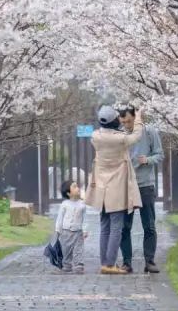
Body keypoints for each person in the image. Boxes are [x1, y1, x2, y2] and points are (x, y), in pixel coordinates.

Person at [86, 104, 144, 275]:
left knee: (104, 226)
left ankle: (104, 262)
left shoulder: (95, 136)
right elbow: (137, 136)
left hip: (102, 188)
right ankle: (110, 264)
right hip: (117, 186)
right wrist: (139, 118)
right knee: (116, 227)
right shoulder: (121, 139)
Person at [118, 105, 163, 273]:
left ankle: (149, 261)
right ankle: (127, 262)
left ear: (135, 118)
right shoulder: (121, 135)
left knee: (149, 225)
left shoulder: (150, 132)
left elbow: (160, 154)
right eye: (123, 122)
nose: (127, 125)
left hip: (145, 185)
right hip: (126, 185)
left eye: (129, 121)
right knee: (124, 227)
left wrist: (148, 160)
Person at [55, 180, 88, 273]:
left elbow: (84, 219)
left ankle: (79, 265)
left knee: (79, 249)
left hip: (78, 231)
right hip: (66, 231)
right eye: (74, 186)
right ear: (69, 193)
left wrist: (85, 230)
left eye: (77, 186)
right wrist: (58, 230)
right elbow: (60, 218)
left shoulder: (82, 205)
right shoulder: (64, 204)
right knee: (66, 249)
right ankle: (67, 265)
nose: (78, 188)